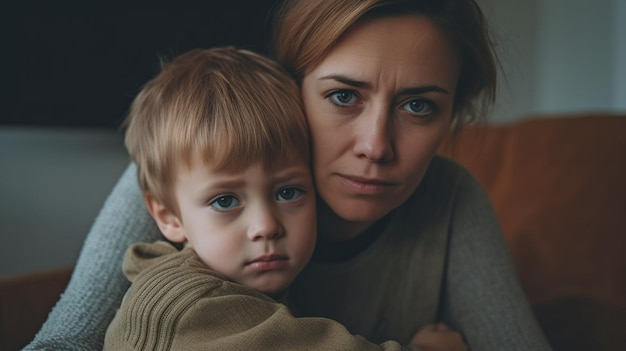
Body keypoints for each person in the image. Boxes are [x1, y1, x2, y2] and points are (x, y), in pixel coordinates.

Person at [25, 0, 552, 350]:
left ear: (451, 117)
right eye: (343, 96)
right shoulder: (189, 173)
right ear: (289, 87)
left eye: (418, 107)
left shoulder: (452, 198)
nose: (376, 147)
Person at [101, 46, 447, 350]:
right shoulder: (194, 306)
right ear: (169, 218)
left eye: (288, 192)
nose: (266, 227)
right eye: (225, 201)